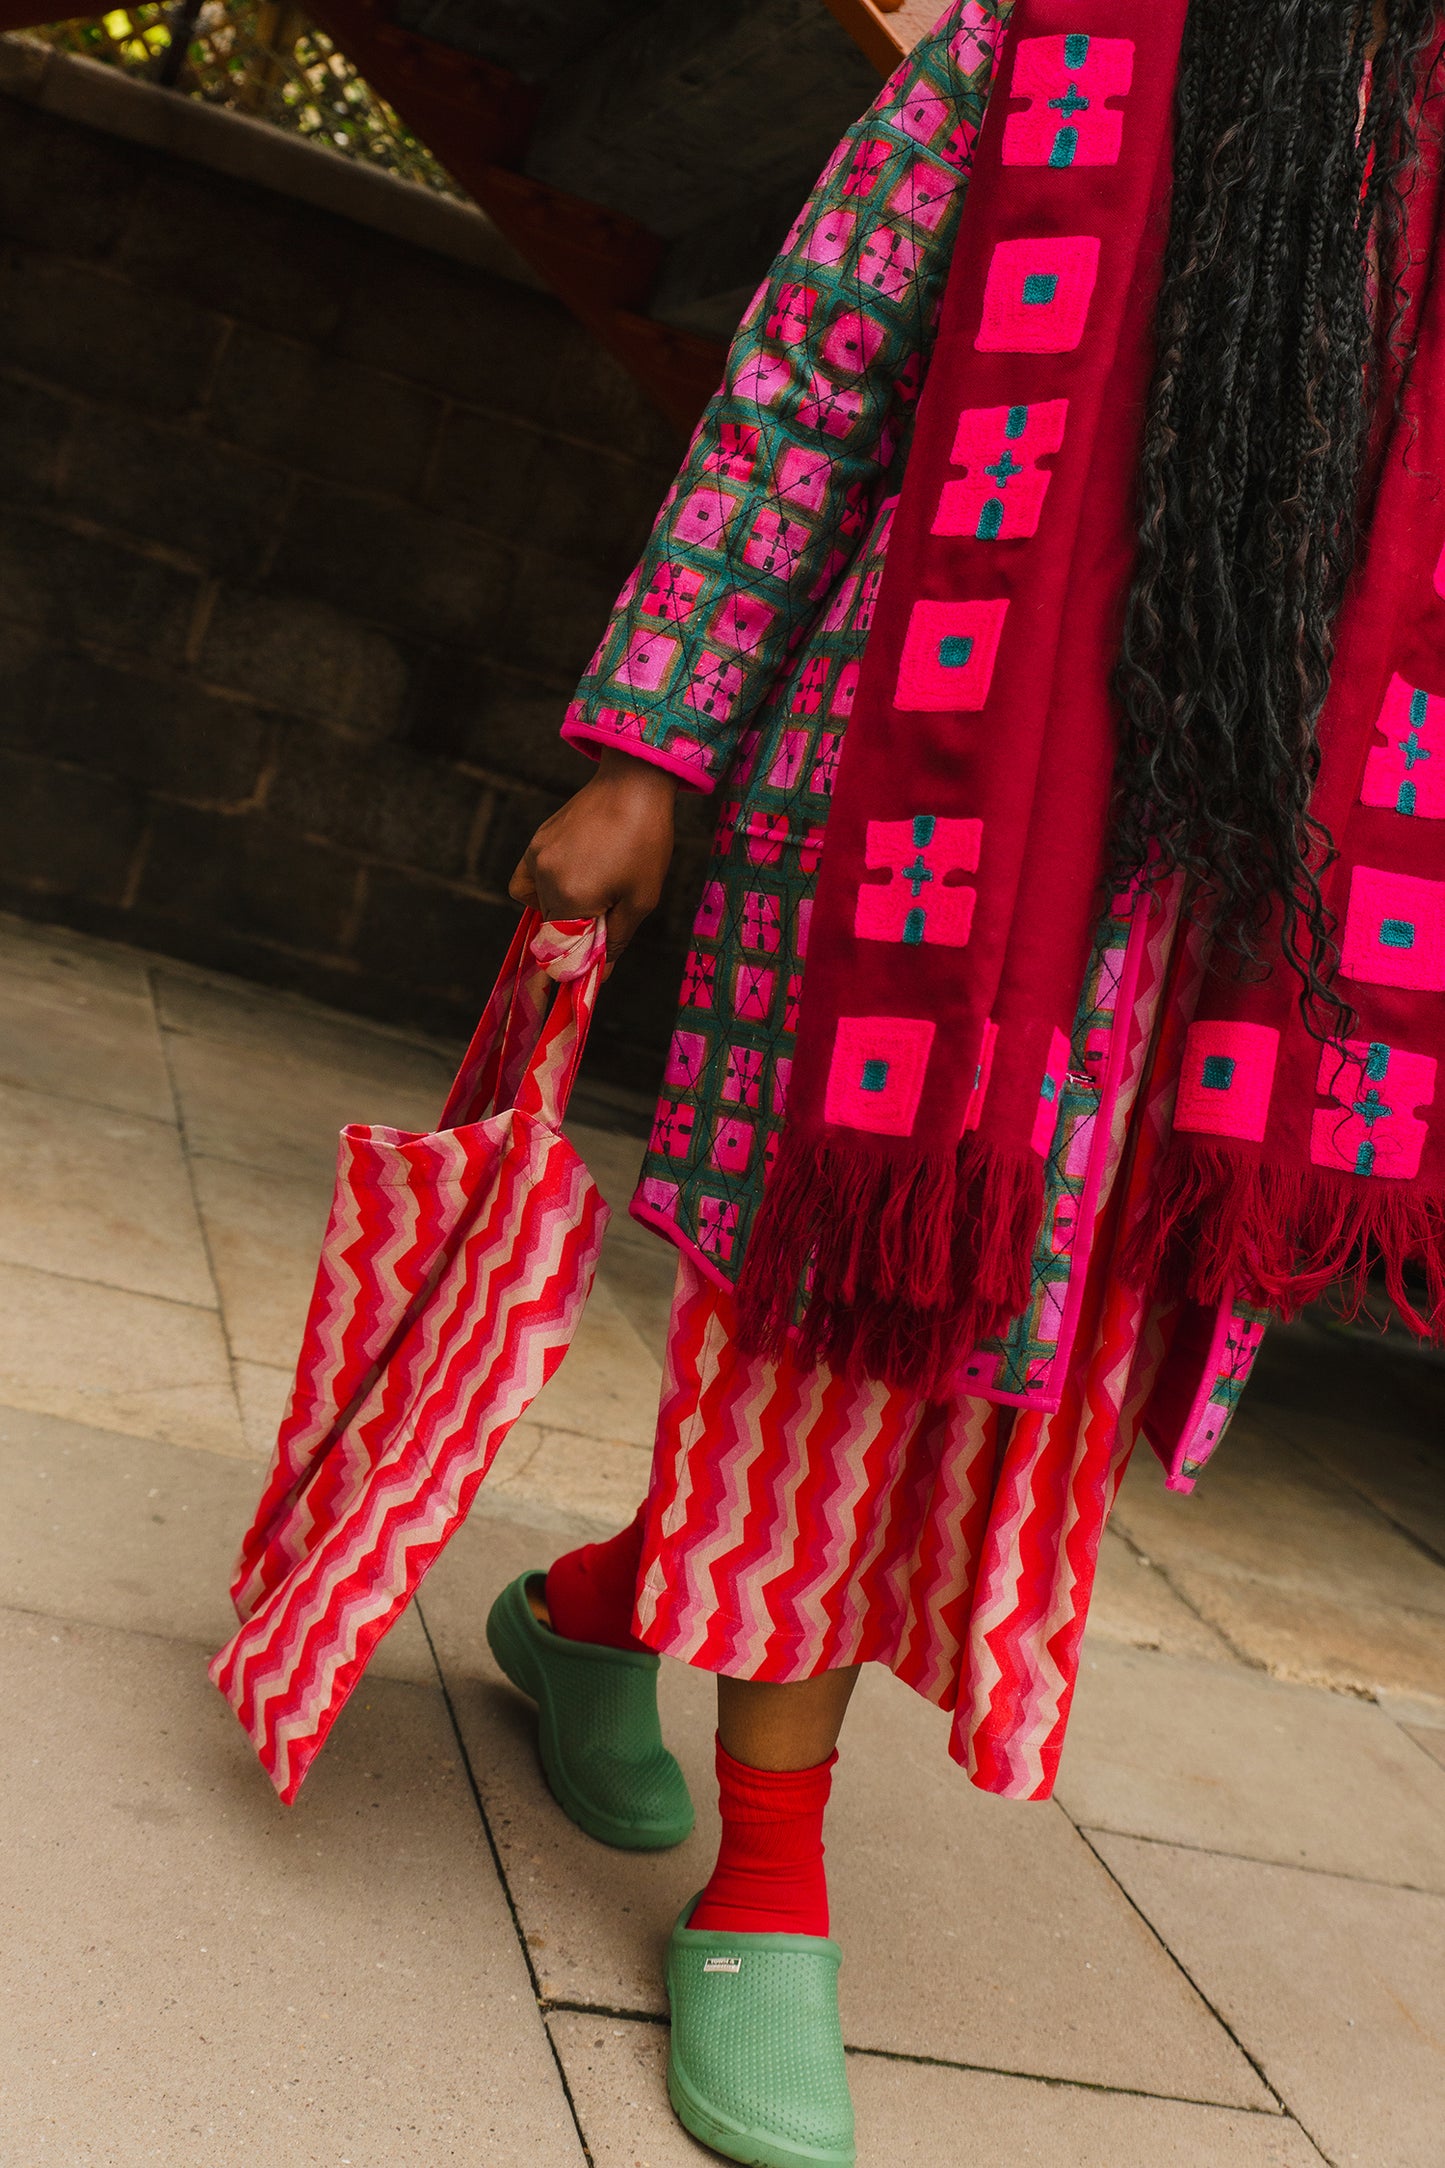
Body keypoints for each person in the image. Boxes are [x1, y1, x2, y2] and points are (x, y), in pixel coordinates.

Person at [489, 2, 1445, 2161]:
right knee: (835, 1346)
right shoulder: (1041, 42)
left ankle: (590, 1616)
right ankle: (766, 1884)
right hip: (916, 816)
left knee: (1004, 1385)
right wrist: (650, 750)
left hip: (1212, 899)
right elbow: (807, 388)